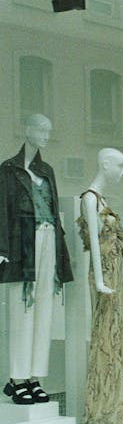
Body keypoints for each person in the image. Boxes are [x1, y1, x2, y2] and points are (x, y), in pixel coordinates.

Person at [0, 113, 73, 405]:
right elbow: (2, 211)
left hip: (48, 239)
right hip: (22, 244)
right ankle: (17, 378)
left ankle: (35, 377)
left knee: (45, 309)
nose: (45, 135)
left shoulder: (47, 170)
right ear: (27, 130)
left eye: (48, 131)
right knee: (21, 311)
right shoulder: (8, 170)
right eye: (41, 130)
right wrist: (3, 248)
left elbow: (54, 212)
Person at [76, 148, 123, 424]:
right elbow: (94, 247)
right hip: (104, 276)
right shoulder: (89, 199)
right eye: (120, 166)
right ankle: (99, 414)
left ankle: (112, 412)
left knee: (113, 340)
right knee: (104, 340)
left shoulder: (102, 200)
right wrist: (99, 281)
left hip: (114, 275)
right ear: (105, 165)